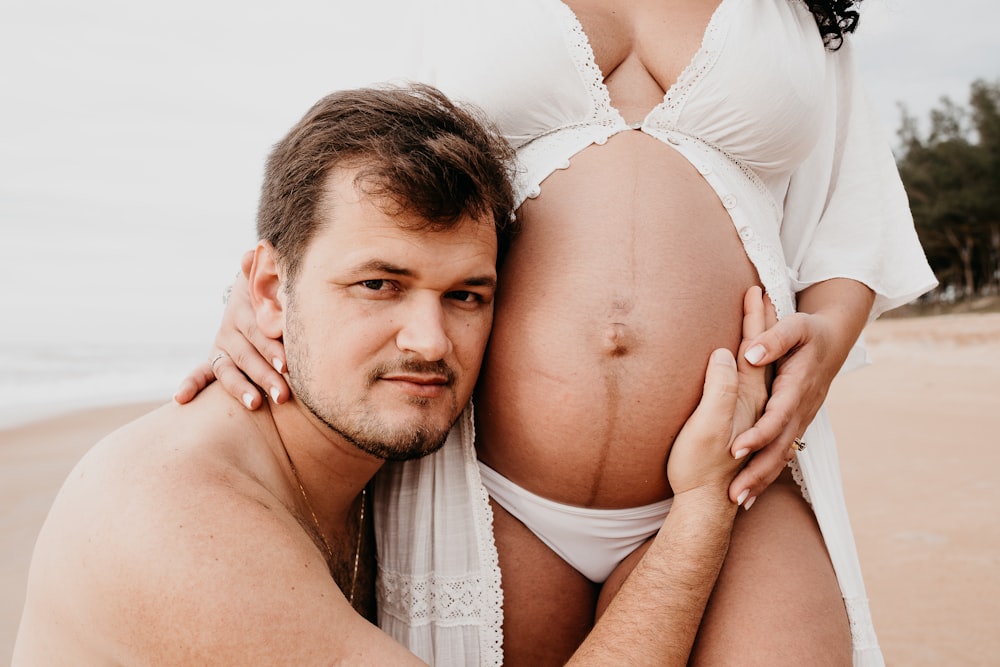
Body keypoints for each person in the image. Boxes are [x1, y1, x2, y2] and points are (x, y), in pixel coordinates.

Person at [176, 1, 937, 664]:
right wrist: (264, 297)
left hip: (739, 467)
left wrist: (826, 347)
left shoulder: (805, 11)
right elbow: (354, 156)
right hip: (490, 482)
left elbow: (851, 210)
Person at [14, 83, 772, 666]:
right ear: (271, 292)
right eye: (379, 283)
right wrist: (701, 509)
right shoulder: (180, 521)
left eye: (466, 295)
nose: (429, 341)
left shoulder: (377, 454)